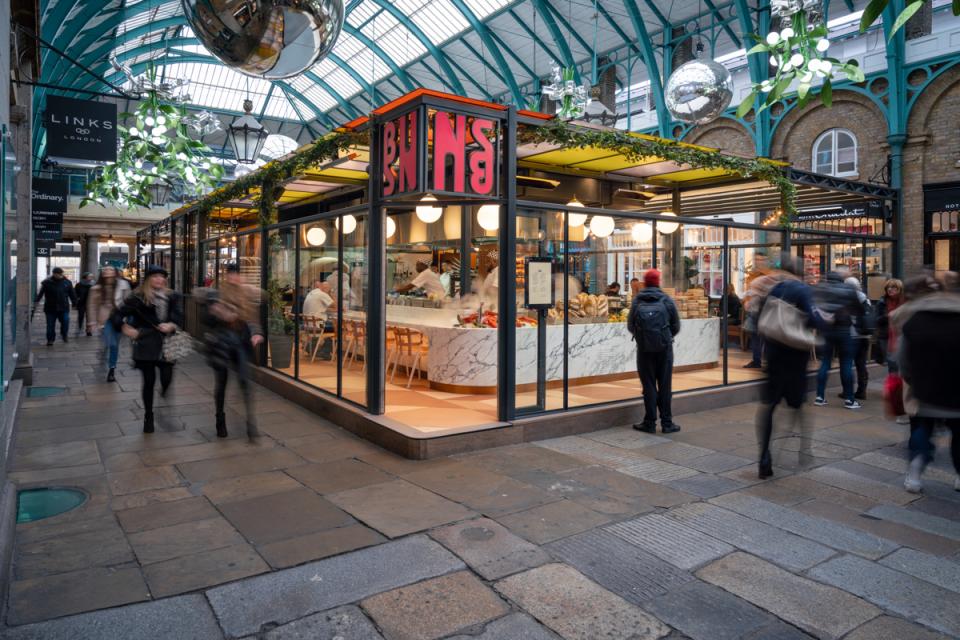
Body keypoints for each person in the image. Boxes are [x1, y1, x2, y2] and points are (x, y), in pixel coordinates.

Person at [756, 254, 826, 479]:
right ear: (800, 272)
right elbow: (815, 320)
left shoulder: (773, 289)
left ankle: (764, 455)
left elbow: (760, 318)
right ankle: (804, 449)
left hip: (774, 354)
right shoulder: (802, 290)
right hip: (795, 355)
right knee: (798, 404)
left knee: (769, 404)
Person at [892, 273, 960, 493]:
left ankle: (915, 470)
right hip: (956, 389)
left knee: (922, 428)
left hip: (925, 386)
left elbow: (902, 356)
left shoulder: (917, 319)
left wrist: (912, 379)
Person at [202, 263, 264, 440]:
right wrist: (216, 312)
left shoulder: (246, 295)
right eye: (231, 275)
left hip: (241, 344)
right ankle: (220, 419)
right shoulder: (216, 293)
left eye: (237, 274)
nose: (234, 278)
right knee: (221, 383)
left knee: (245, 382)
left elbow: (253, 320)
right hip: (221, 344)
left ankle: (251, 424)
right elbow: (205, 319)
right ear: (226, 277)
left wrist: (257, 334)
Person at [118, 265, 183, 434]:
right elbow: (116, 315)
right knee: (148, 381)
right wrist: (125, 328)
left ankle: (163, 394)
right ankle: (149, 416)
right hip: (146, 342)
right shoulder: (138, 297)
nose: (159, 280)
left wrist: (172, 324)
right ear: (148, 279)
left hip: (169, 343)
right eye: (155, 276)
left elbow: (179, 316)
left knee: (167, 378)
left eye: (162, 277)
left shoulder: (173, 296)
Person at [628, 269, 681, 434]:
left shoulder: (637, 301)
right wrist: (664, 337)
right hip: (664, 350)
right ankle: (667, 423)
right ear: (658, 282)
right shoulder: (666, 300)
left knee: (649, 386)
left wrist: (644, 337)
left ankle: (649, 422)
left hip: (644, 351)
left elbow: (630, 326)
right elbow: (676, 326)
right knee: (665, 386)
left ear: (645, 282)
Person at [813, 270, 864, 409]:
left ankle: (819, 396)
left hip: (826, 331)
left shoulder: (820, 289)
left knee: (825, 363)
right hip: (843, 330)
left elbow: (814, 308)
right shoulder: (847, 289)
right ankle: (849, 399)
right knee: (846, 364)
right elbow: (859, 309)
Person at [86, 266, 132, 382]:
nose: (107, 271)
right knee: (112, 344)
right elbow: (91, 306)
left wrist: (128, 318)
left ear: (115, 272)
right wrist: (91, 322)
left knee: (114, 344)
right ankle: (110, 365)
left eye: (110, 269)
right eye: (105, 269)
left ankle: (112, 368)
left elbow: (129, 302)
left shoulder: (123, 285)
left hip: (119, 318)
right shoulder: (96, 288)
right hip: (104, 320)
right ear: (102, 273)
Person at [845, 277, 873, 400]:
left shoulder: (847, 298)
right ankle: (862, 390)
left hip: (851, 334)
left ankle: (848, 391)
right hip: (864, 335)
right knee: (861, 364)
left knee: (847, 364)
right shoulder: (865, 298)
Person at [34, 267, 77, 346]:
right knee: (50, 325)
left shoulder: (67, 282)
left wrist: (74, 303)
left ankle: (64, 334)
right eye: (56, 274)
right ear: (53, 274)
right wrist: (36, 301)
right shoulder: (46, 283)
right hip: (50, 308)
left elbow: (72, 294)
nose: (58, 275)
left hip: (63, 307)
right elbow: (41, 293)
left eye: (60, 274)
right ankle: (50, 339)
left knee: (65, 322)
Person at [303, 280, 335, 360]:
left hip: (308, 326)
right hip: (317, 327)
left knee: (329, 325)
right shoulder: (322, 294)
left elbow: (321, 307)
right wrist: (331, 294)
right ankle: (325, 352)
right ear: (326, 288)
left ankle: (311, 347)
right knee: (336, 330)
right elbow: (336, 306)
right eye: (328, 288)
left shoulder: (311, 293)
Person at [74, 272, 95, 336]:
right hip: (81, 303)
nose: (91, 278)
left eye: (92, 276)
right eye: (90, 276)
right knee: (80, 316)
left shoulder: (93, 284)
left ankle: (88, 331)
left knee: (89, 318)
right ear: (85, 277)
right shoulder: (79, 284)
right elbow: (75, 293)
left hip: (90, 303)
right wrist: (76, 300)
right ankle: (79, 328)